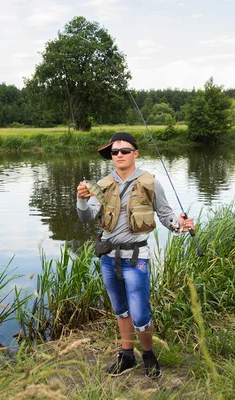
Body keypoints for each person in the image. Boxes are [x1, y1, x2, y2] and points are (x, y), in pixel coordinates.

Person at [76, 132, 194, 379]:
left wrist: (179, 225)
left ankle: (148, 354)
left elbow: (166, 215)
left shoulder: (151, 182)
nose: (119, 155)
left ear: (135, 153)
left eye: (124, 150)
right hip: (108, 258)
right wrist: (82, 201)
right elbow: (86, 217)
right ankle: (127, 356)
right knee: (121, 310)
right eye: (114, 152)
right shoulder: (101, 184)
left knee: (140, 316)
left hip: (137, 258)